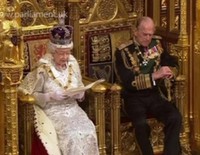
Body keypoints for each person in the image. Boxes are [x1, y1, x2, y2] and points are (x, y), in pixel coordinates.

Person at [18, 24, 99, 155]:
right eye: (61, 53)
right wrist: (50, 96)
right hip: (53, 112)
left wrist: (80, 94)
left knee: (88, 129)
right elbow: (29, 93)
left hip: (73, 109)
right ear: (52, 51)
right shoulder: (43, 67)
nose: (65, 57)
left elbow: (79, 87)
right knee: (73, 135)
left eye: (67, 53)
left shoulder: (73, 63)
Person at [114, 16, 182, 155]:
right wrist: (154, 76)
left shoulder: (157, 44)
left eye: (150, 34)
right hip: (133, 98)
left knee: (175, 117)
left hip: (154, 94)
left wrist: (170, 72)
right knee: (140, 125)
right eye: (145, 34)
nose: (148, 38)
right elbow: (128, 82)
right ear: (135, 31)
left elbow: (172, 63)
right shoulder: (123, 52)